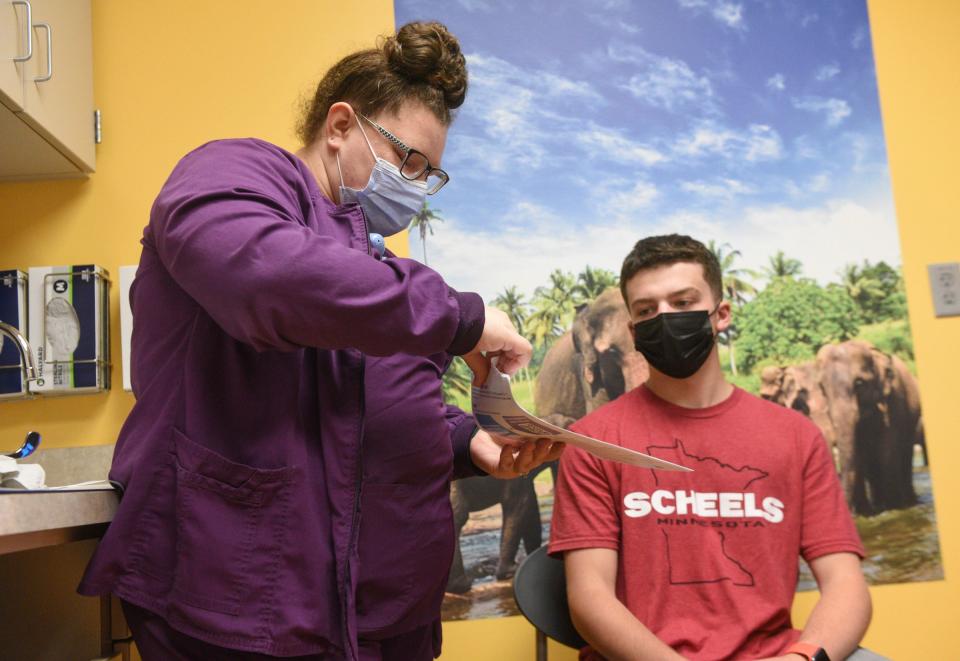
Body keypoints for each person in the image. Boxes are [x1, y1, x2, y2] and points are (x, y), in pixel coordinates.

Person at [79, 21, 561, 661]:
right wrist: (464, 320)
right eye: (407, 162)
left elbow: (377, 400)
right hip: (244, 600)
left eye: (431, 176)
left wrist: (468, 441)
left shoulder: (377, 264)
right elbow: (268, 279)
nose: (416, 187)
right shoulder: (232, 174)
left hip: (385, 613)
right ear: (340, 127)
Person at [549, 234, 874, 661]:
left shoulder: (796, 436)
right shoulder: (593, 443)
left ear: (720, 314)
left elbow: (846, 585)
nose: (665, 317)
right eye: (647, 310)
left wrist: (803, 657)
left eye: (682, 303)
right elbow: (590, 600)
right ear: (633, 331)